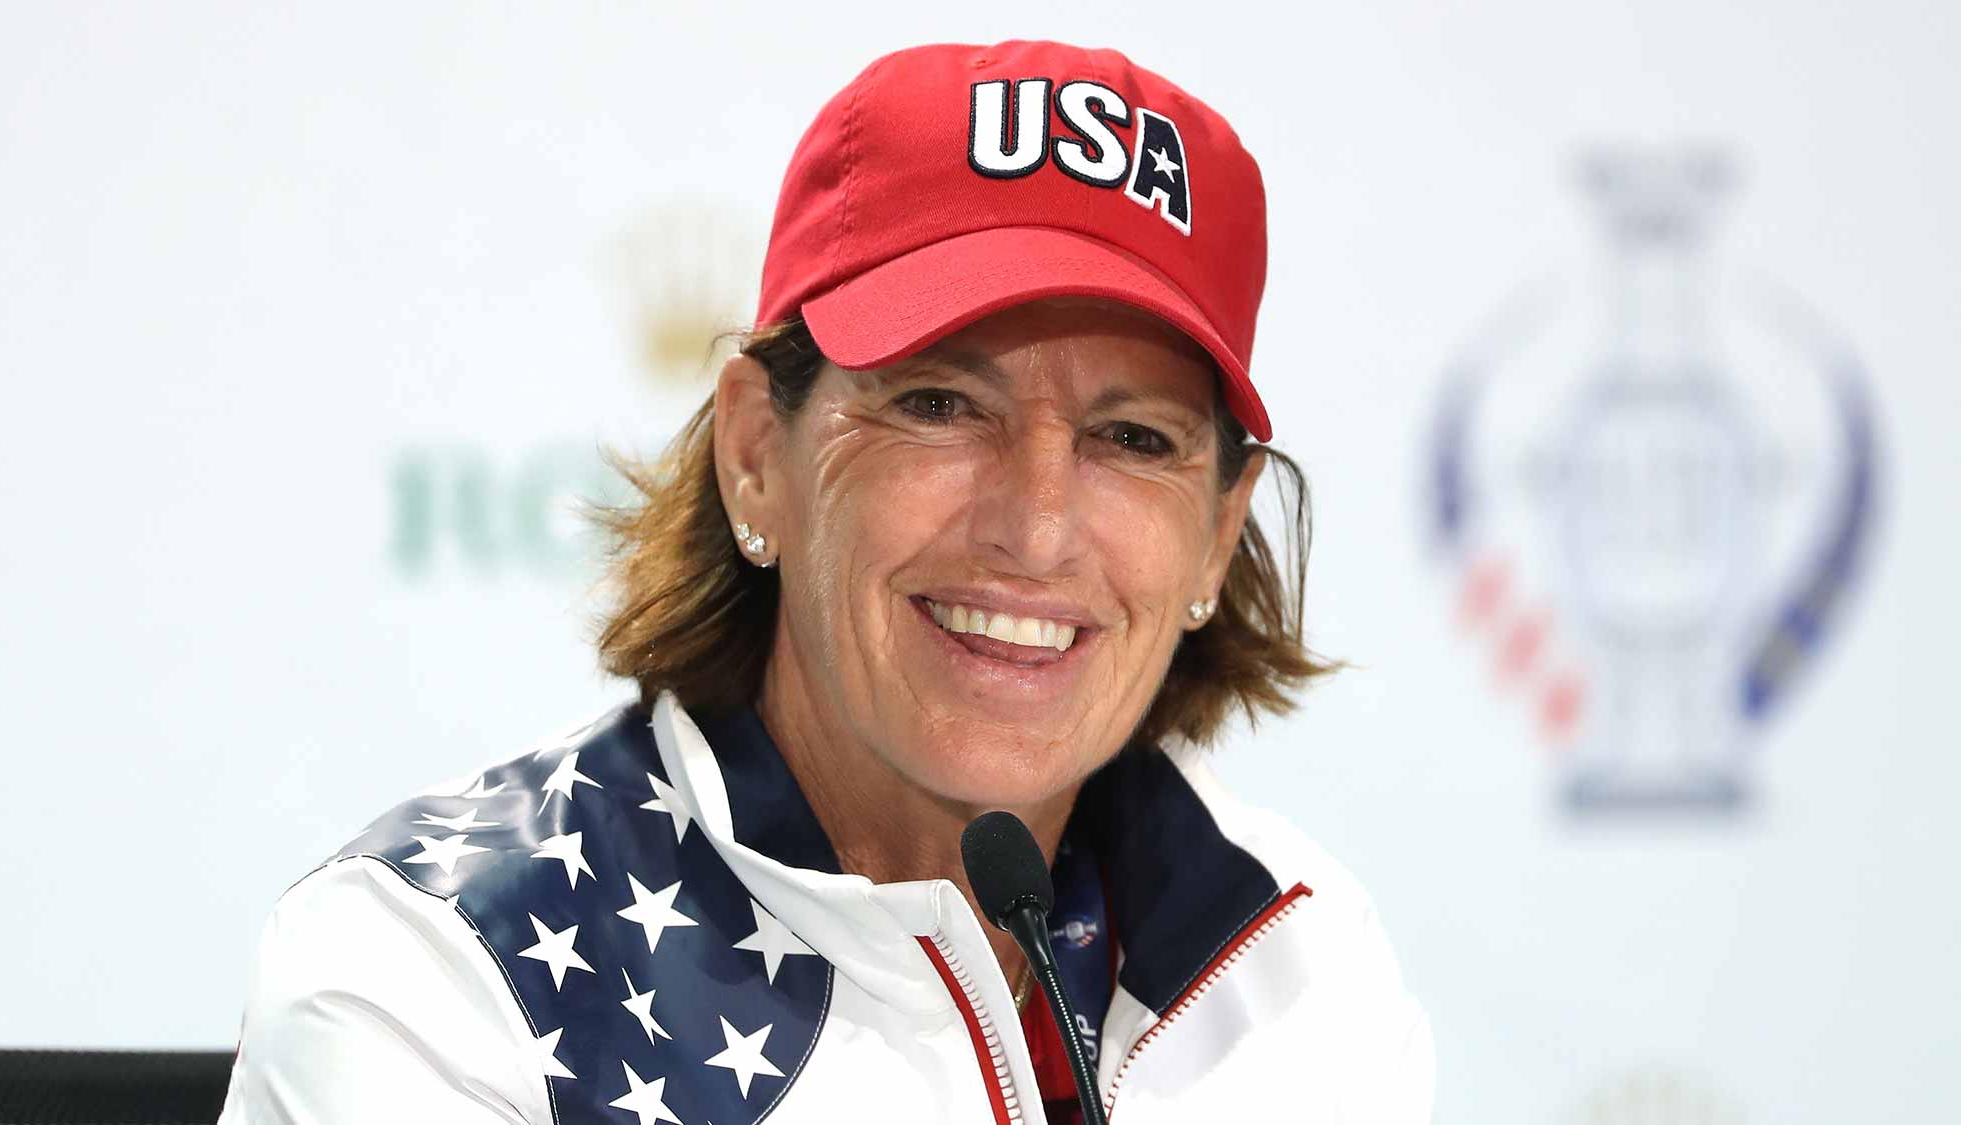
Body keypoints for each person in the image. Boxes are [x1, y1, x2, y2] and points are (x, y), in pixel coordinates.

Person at [219, 39, 1432, 1125]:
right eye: (939, 404)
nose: (1037, 528)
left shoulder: (1297, 972)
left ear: (1218, 534)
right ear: (756, 456)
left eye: (1133, 440)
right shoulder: (441, 977)